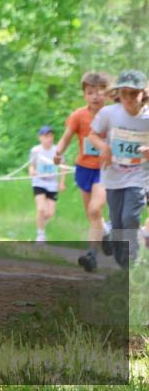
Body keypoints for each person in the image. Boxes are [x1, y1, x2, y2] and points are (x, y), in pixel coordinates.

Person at [87, 70, 148, 269]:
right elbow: (93, 135)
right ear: (117, 94)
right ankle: (122, 262)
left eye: (134, 93)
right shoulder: (109, 113)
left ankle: (131, 257)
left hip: (138, 175)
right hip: (113, 175)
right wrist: (104, 147)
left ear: (143, 93)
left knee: (130, 217)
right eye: (124, 93)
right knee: (117, 222)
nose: (129, 98)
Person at [54, 71, 114, 272]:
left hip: (105, 170)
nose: (95, 96)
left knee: (95, 209)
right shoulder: (79, 116)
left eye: (99, 92)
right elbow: (67, 137)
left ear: (107, 94)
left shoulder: (113, 114)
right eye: (90, 92)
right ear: (84, 95)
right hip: (83, 168)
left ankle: (92, 255)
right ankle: (105, 232)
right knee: (92, 215)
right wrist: (58, 152)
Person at [29, 126, 66, 243]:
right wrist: (32, 171)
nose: (49, 139)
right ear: (40, 138)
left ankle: (40, 226)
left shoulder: (56, 151)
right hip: (39, 182)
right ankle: (40, 236)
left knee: (50, 213)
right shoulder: (36, 151)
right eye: (46, 136)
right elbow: (31, 165)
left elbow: (63, 167)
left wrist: (62, 183)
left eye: (50, 136)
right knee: (41, 209)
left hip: (52, 184)